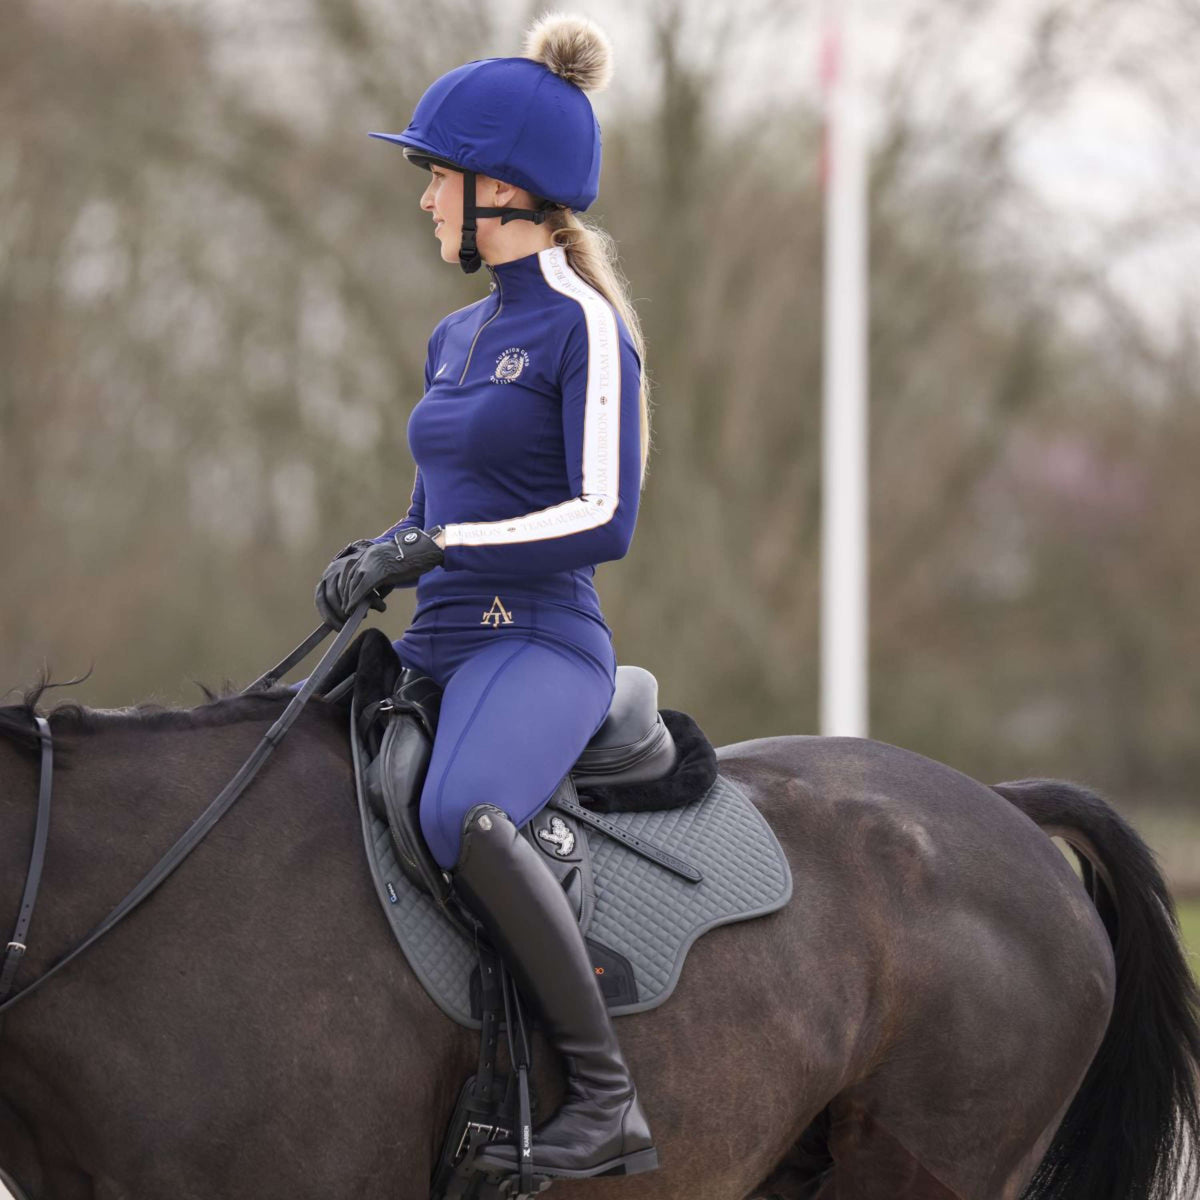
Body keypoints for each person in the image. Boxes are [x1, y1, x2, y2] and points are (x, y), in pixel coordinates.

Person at [311, 13, 658, 1184]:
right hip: (441, 640)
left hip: (541, 643)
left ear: (497, 189)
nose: (423, 202)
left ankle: (604, 1094)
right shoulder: (455, 337)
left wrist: (438, 542)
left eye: (434, 178)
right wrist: (379, 551)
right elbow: (431, 509)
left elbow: (603, 519)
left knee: (464, 808)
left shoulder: (585, 328)